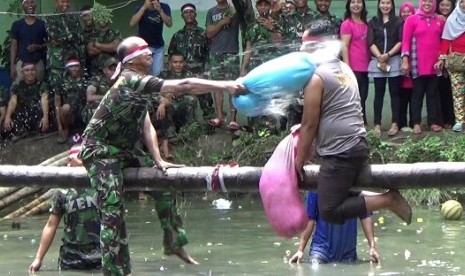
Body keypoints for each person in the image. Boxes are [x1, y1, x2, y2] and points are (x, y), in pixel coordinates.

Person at [78, 36, 244, 275]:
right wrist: (225, 85)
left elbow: (146, 124)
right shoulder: (130, 80)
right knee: (113, 212)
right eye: (144, 51)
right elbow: (185, 86)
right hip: (100, 151)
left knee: (163, 183)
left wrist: (157, 159)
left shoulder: (140, 85)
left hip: (124, 150)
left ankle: (174, 243)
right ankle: (114, 271)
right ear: (132, 60)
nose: (150, 54)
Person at [294, 29, 412, 227]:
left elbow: (310, 123)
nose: (301, 50)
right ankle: (382, 197)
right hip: (356, 144)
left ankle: (387, 200)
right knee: (343, 192)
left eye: (305, 46)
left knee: (329, 211)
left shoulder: (317, 77)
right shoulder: (343, 68)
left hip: (341, 150)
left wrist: (299, 159)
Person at [289, 192, 380, 264]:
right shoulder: (317, 183)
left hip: (348, 254)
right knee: (315, 267)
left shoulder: (355, 185)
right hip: (321, 251)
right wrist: (300, 250)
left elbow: (365, 216)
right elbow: (310, 219)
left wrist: (372, 247)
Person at [28, 186, 101, 271]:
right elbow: (51, 225)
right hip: (71, 257)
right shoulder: (62, 192)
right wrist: (38, 258)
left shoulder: (102, 187)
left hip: (100, 256)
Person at [401, 0, 445, 134]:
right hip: (417, 64)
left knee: (432, 95)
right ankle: (416, 123)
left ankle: (432, 122)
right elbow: (406, 41)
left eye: (430, 1)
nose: (427, 4)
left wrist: (442, 59)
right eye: (425, 1)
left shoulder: (439, 20)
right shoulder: (411, 19)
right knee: (417, 95)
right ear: (420, 2)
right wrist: (405, 60)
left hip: (435, 65)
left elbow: (444, 41)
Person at [167, 3, 214, 120]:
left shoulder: (204, 34)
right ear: (182, 16)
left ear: (195, 14)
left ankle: (210, 124)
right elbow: (171, 55)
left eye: (191, 12)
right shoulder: (177, 36)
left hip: (201, 73)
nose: (189, 14)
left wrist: (208, 72)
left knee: (206, 102)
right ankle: (187, 125)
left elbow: (209, 53)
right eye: (186, 12)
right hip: (183, 75)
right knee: (185, 101)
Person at [367, 0, 403, 137]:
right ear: (379, 5)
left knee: (395, 93)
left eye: (388, 3)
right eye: (383, 3)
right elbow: (370, 41)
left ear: (392, 5)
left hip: (393, 60)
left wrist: (388, 54)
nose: (385, 6)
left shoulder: (398, 21)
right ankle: (377, 124)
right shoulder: (373, 22)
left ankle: (395, 123)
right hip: (378, 60)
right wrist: (380, 56)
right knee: (379, 94)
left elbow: (400, 41)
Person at [206, 0, 241, 130]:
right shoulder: (211, 12)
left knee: (233, 86)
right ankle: (219, 117)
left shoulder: (235, 11)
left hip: (231, 52)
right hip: (215, 54)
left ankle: (233, 120)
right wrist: (221, 22)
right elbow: (209, 33)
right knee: (217, 87)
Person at [340, 0, 370, 125]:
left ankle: (363, 124)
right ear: (349, 6)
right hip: (353, 68)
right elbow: (344, 46)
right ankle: (354, 125)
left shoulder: (366, 23)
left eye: (359, 2)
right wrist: (347, 67)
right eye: (353, 2)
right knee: (354, 99)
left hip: (366, 67)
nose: (356, 5)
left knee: (363, 97)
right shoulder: (347, 24)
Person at [3, 62, 49, 141]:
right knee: (8, 127)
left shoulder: (42, 84)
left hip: (36, 114)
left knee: (44, 123)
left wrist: (46, 116)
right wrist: (7, 117)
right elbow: (13, 101)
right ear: (22, 73)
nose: (30, 73)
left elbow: (44, 99)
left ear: (36, 71)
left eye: (32, 70)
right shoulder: (17, 85)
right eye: (27, 70)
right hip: (22, 116)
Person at [438, 0, 465, 132]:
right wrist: (442, 58)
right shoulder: (452, 19)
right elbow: (446, 39)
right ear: (458, 3)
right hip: (456, 61)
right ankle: (459, 121)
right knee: (457, 92)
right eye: (462, 2)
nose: (464, 4)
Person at [129, 0, 172, 76]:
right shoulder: (139, 7)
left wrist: (160, 10)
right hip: (144, 47)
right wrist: (143, 8)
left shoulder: (164, 7)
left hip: (158, 46)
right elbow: (132, 24)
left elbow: (169, 24)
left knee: (157, 73)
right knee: (144, 72)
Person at [9, 0, 47, 83]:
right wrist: (12, 65)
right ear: (22, 6)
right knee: (18, 89)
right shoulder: (17, 25)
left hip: (38, 64)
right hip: (21, 64)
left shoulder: (42, 24)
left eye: (32, 2)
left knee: (39, 90)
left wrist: (38, 47)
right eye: (26, 2)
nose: (30, 5)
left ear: (35, 5)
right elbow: (14, 46)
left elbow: (48, 44)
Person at [436, 0, 456, 129]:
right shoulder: (435, 19)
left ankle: (454, 119)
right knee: (442, 91)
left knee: (454, 91)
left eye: (447, 5)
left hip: (456, 60)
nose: (444, 8)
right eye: (442, 5)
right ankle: (444, 120)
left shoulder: (457, 19)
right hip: (439, 59)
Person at [398, 2, 415, 132]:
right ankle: (402, 123)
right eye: (404, 11)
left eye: (409, 11)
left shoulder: (415, 25)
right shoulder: (398, 25)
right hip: (399, 66)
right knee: (402, 97)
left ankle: (414, 122)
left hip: (414, 66)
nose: (406, 14)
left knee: (414, 96)